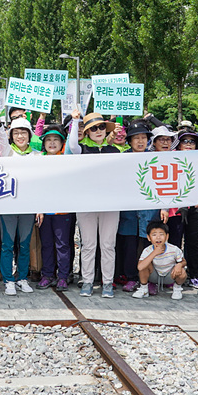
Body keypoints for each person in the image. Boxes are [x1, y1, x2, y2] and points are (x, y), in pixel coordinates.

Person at [77, 112, 121, 298]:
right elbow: (71, 145)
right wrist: (73, 121)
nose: (98, 131)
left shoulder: (116, 152)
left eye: (101, 127)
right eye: (93, 128)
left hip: (110, 205)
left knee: (108, 245)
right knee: (88, 245)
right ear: (86, 132)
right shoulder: (80, 150)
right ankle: (87, 281)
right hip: (85, 204)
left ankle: (108, 283)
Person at [36, 113, 81, 291]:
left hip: (63, 212)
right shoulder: (38, 160)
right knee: (46, 245)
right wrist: (38, 209)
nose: (52, 143)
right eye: (49, 140)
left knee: (63, 245)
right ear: (44, 143)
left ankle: (63, 276)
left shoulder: (66, 156)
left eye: (56, 139)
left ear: (62, 143)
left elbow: (72, 143)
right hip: (45, 212)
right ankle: (47, 274)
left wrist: (75, 122)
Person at [0, 116, 38, 296]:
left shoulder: (37, 155)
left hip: (28, 207)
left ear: (29, 136)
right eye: (16, 133)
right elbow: (1, 137)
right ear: (11, 135)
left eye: (23, 133)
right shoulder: (7, 152)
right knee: (7, 244)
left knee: (24, 244)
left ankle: (21, 278)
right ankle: (8, 280)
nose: (20, 136)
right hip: (8, 206)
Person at [117, 122, 158, 293]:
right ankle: (130, 277)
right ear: (129, 141)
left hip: (149, 211)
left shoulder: (155, 159)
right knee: (129, 245)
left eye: (143, 138)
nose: (140, 141)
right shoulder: (121, 159)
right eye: (136, 138)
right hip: (128, 211)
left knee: (148, 246)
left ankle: (149, 279)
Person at [133, 221, 187, 300]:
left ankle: (177, 289)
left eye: (161, 234)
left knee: (182, 271)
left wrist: (179, 265)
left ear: (167, 236)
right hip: (154, 275)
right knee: (145, 263)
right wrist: (154, 253)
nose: (158, 237)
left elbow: (184, 261)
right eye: (154, 235)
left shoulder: (174, 249)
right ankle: (143, 289)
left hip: (170, 275)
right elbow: (140, 267)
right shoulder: (147, 250)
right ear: (148, 237)